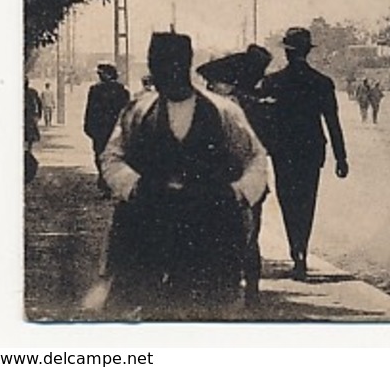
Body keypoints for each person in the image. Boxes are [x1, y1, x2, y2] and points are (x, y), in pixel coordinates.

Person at [98, 32, 269, 318]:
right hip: (148, 227)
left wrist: (238, 193)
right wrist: (133, 186)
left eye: (175, 64)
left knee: (204, 312)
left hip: (208, 230)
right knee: (147, 311)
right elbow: (112, 156)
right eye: (160, 64)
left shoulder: (223, 111)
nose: (167, 71)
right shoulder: (138, 112)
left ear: (187, 63)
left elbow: (255, 158)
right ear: (152, 66)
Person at [256, 27, 348, 280]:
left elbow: (261, 119)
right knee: (307, 202)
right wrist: (341, 157)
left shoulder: (272, 82)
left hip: (282, 151)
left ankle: (295, 250)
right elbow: (332, 123)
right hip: (311, 151)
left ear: (286, 52)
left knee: (288, 201)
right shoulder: (322, 83)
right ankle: (301, 252)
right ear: (308, 51)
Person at [195, 43, 274, 305]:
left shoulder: (214, 109)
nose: (208, 87)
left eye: (212, 82)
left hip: (221, 181)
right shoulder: (257, 105)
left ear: (228, 83)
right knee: (250, 236)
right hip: (251, 181)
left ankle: (224, 290)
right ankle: (251, 293)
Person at [83, 64, 132, 193]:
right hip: (112, 129)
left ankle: (105, 181)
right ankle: (107, 182)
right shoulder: (122, 90)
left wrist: (88, 126)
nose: (99, 76)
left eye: (101, 74)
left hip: (102, 129)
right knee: (113, 155)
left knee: (100, 155)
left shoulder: (96, 90)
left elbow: (90, 110)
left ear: (109, 74)